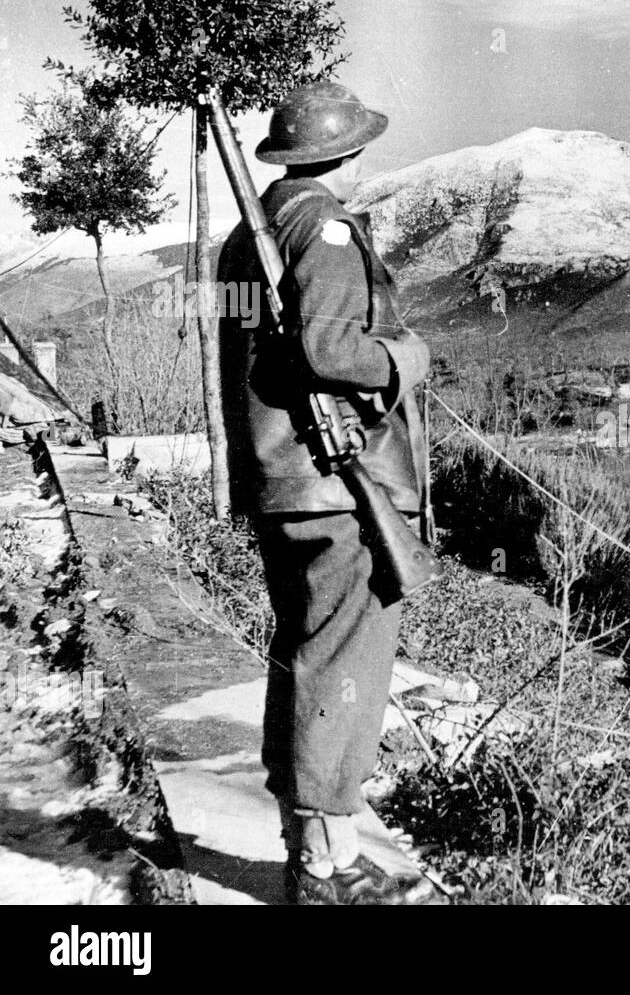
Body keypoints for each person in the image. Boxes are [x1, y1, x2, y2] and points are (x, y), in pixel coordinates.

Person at [217, 81, 439, 905]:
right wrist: (406, 357)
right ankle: (325, 868)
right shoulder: (328, 225)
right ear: (349, 152)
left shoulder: (251, 234)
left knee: (306, 659)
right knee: (344, 668)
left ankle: (316, 844)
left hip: (286, 483)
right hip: (336, 483)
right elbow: (329, 346)